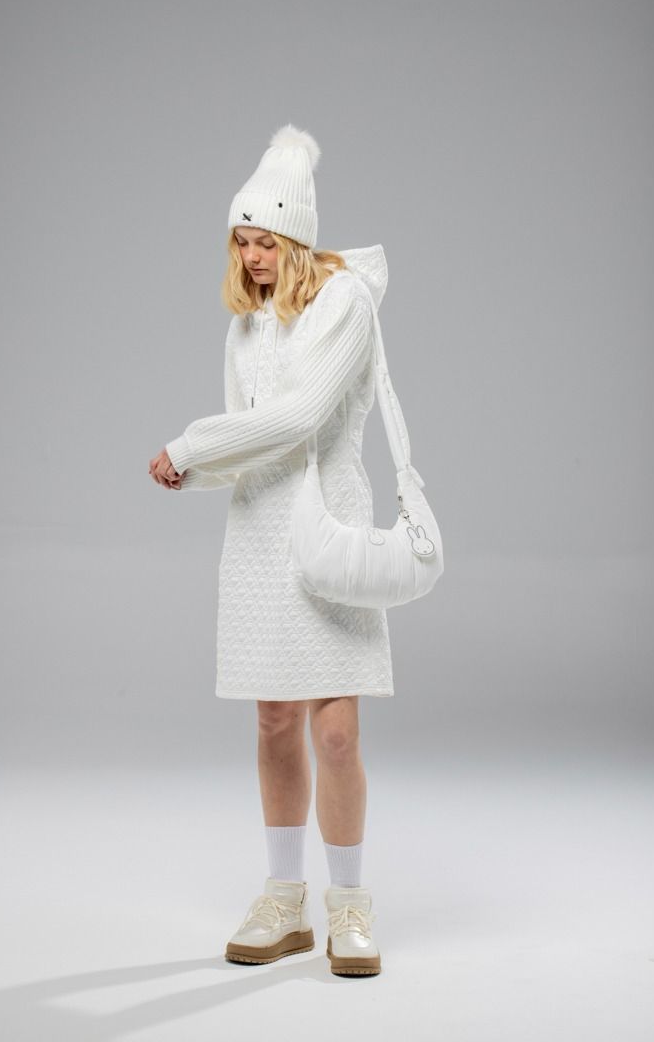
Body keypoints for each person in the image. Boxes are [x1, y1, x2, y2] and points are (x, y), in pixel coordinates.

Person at [149, 124, 393, 977]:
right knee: (273, 718)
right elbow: (251, 445)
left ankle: (350, 903)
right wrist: (197, 473)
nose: (251, 257)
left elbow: (299, 419)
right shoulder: (248, 325)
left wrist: (190, 444)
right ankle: (285, 898)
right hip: (258, 532)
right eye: (241, 241)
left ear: (297, 238)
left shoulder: (346, 302)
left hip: (327, 524)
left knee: (337, 731)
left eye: (265, 241)